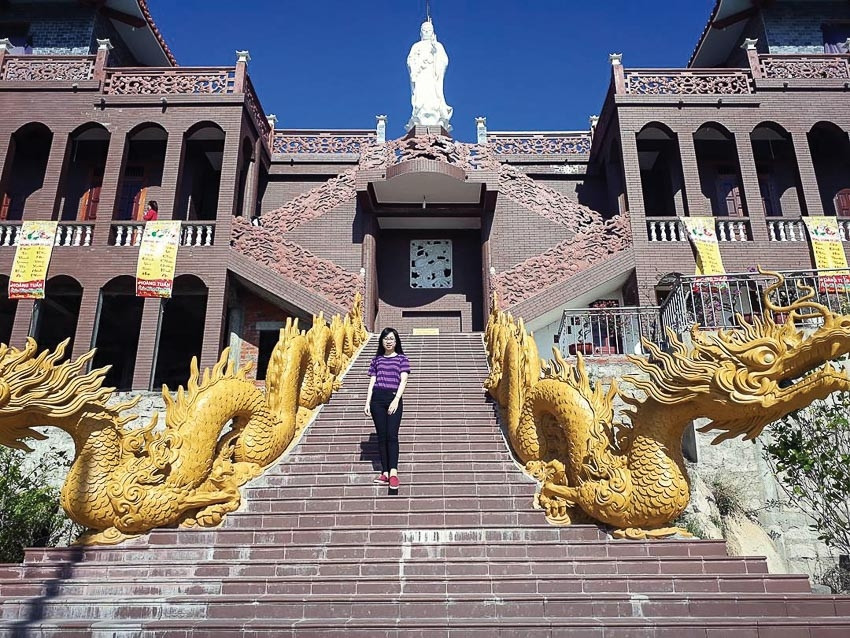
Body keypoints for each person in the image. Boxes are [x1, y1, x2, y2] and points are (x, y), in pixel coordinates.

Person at [364, 328, 410, 489]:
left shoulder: (402, 359)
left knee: (392, 435)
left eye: (391, 338)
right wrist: (367, 402)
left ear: (396, 341)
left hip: (393, 398)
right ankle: (385, 472)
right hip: (377, 399)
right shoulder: (377, 360)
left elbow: (403, 380)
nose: (388, 341)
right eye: (385, 338)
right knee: (382, 437)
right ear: (381, 341)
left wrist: (396, 400)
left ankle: (394, 473)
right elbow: (372, 383)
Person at [406, 20, 453, 130]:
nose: (427, 32)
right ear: (421, 32)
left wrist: (435, 51)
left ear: (432, 32)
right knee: (421, 96)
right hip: (421, 76)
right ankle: (419, 115)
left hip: (432, 76)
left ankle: (437, 115)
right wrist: (417, 66)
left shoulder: (437, 45)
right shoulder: (416, 46)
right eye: (424, 30)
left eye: (429, 30)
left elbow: (444, 61)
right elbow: (410, 60)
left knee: (433, 96)